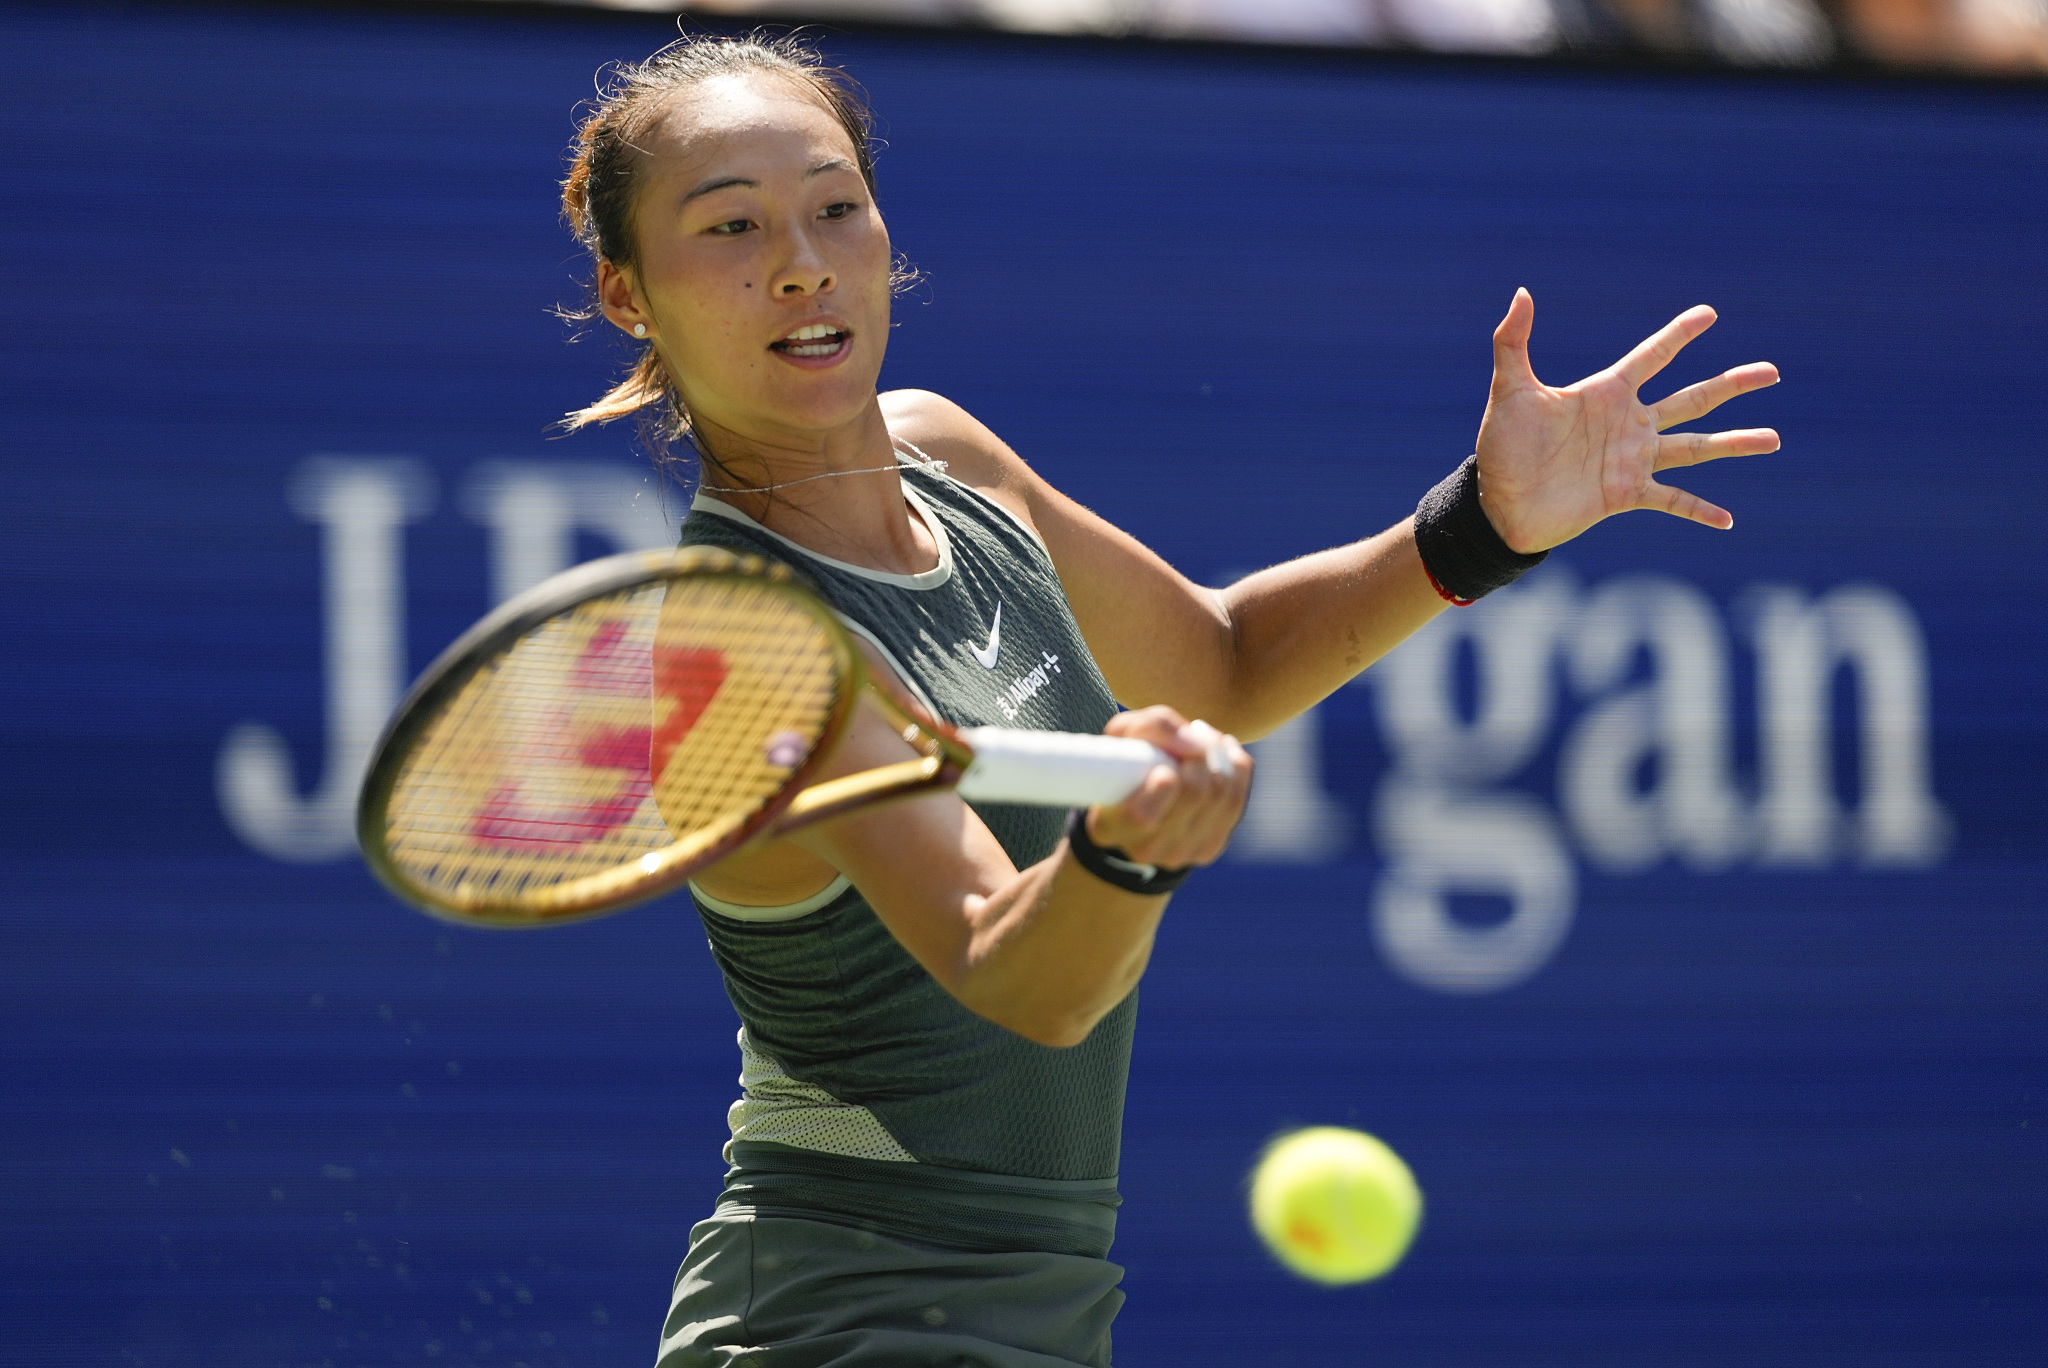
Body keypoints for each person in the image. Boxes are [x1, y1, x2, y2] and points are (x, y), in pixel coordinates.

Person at [557, 32, 1778, 1368]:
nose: (802, 260)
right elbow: (1012, 972)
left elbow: (1226, 662)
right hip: (845, 1320)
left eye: (835, 202)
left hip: (1031, 1310)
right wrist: (1122, 857)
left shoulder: (945, 452)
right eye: (731, 225)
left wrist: (1486, 525)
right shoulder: (743, 638)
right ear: (629, 294)